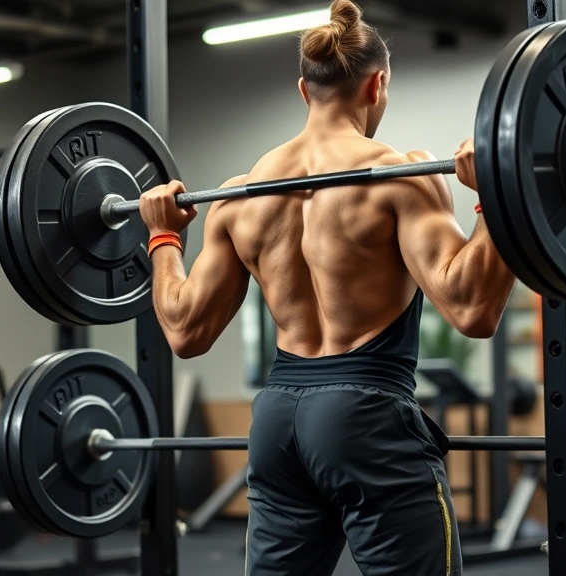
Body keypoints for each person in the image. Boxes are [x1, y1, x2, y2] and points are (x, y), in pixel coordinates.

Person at [138, 0, 515, 573]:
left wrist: (163, 236)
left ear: (303, 90)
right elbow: (473, 310)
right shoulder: (399, 175)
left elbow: (184, 331)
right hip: (364, 414)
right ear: (377, 85)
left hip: (275, 423)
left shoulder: (240, 196)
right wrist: (497, 197)